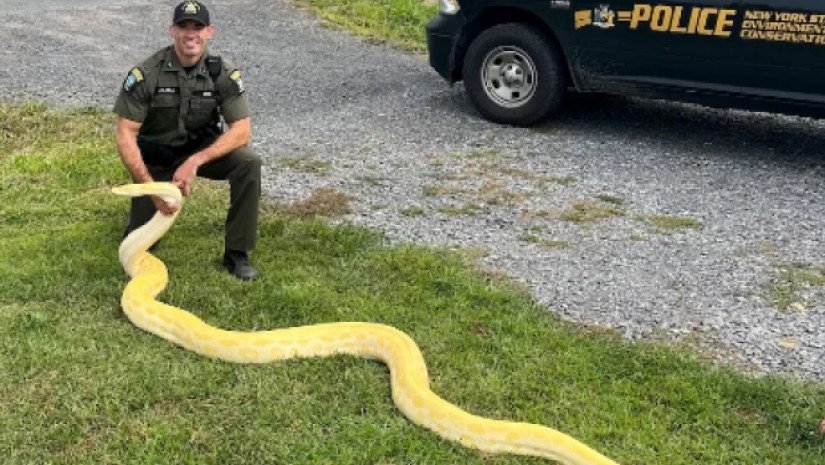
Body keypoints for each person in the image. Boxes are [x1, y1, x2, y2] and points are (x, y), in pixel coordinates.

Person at [113, 1, 260, 280]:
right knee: (139, 246)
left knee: (249, 163)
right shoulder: (147, 74)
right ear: (172, 31)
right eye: (183, 26)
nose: (190, 33)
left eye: (198, 27)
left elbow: (242, 131)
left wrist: (195, 161)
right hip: (157, 158)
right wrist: (150, 189)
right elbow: (125, 134)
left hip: (200, 151)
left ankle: (237, 255)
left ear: (209, 32)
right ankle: (141, 214)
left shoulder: (223, 74)